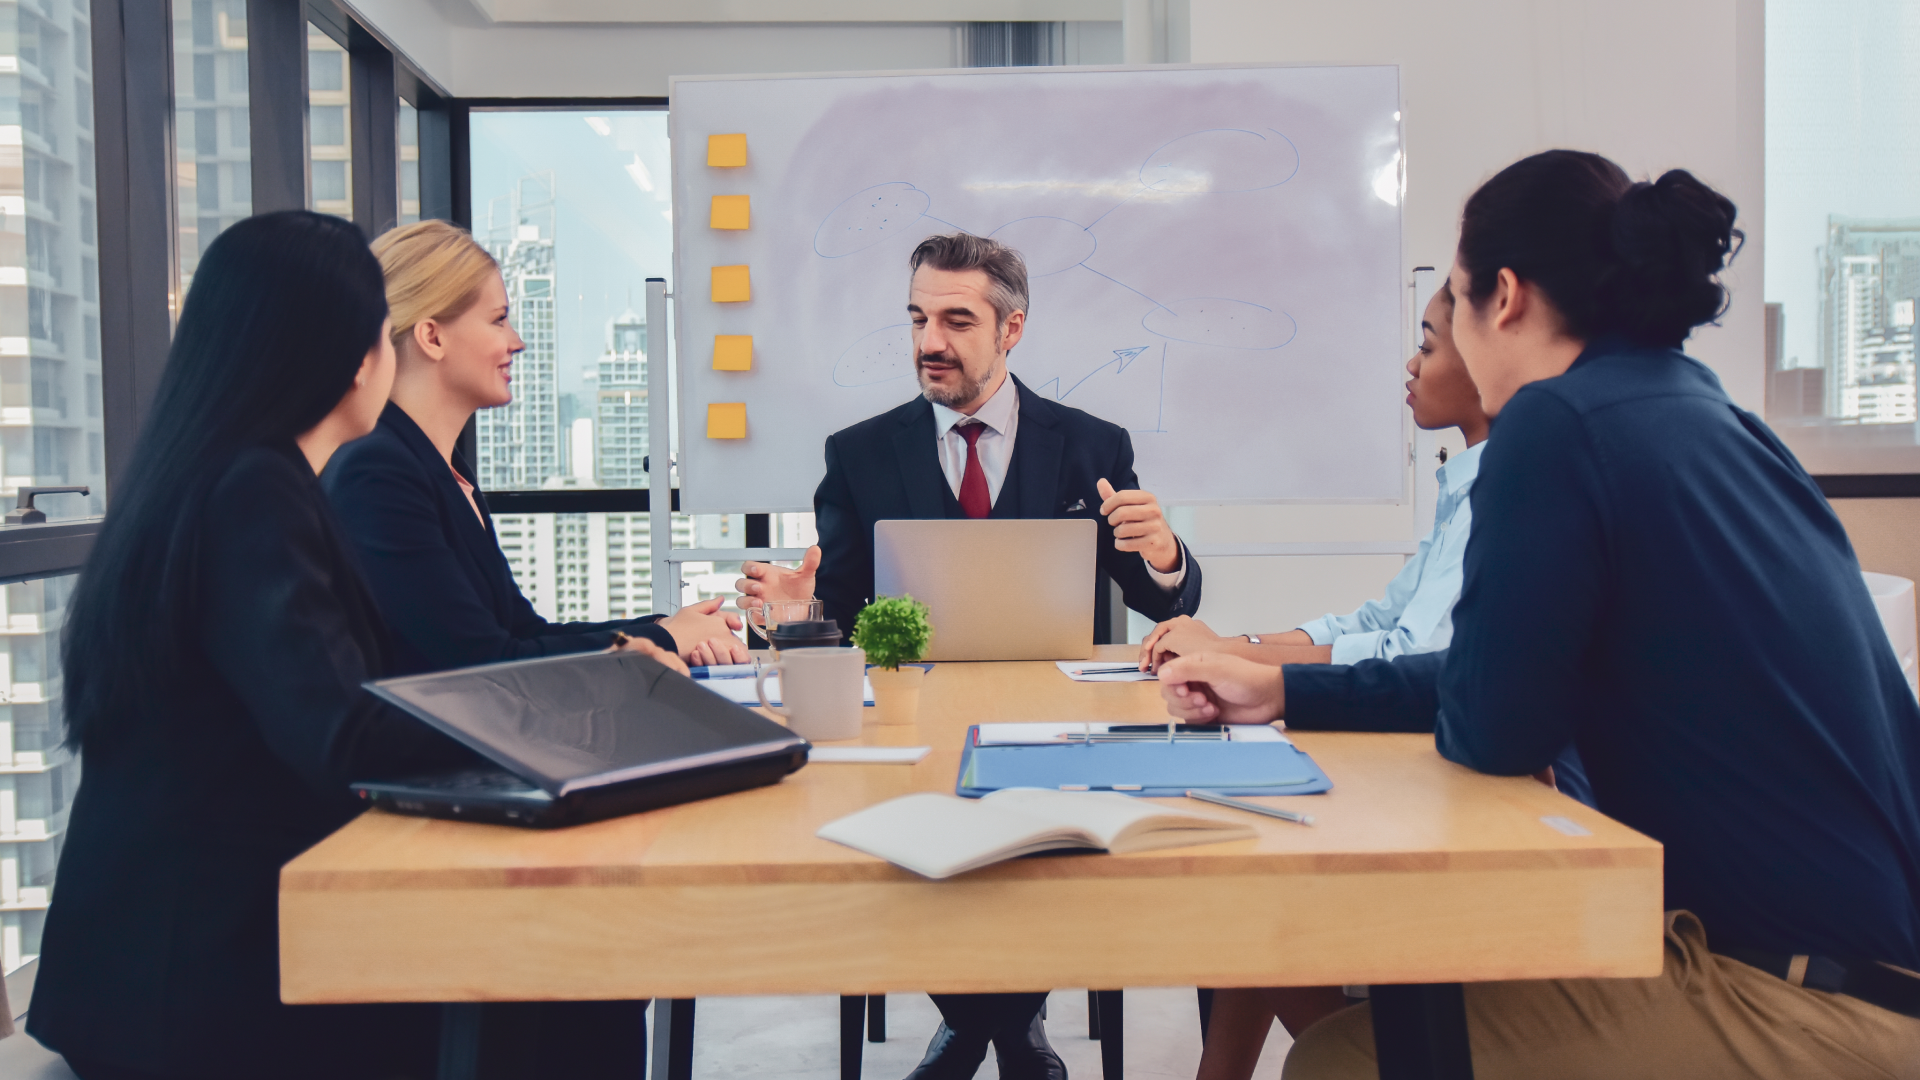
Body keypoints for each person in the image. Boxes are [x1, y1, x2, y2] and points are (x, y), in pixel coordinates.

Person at [1159, 152, 1920, 1078]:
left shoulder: (1553, 425)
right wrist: (1281, 688)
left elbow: (1495, 726)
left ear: (1505, 297)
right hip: (1865, 966)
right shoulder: (1709, 413)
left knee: (1337, 1065)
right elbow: (1514, 674)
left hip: (1793, 997)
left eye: (1453, 304)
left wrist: (1295, 688)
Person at [26, 211, 679, 1079]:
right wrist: (580, 705)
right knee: (561, 973)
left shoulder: (226, 476)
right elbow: (341, 733)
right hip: (205, 981)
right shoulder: (253, 489)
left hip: (181, 948)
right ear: (346, 350)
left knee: (561, 974)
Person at [736, 232, 1204, 1080]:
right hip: (918, 717)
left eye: (955, 320)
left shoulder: (1091, 444)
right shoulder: (859, 454)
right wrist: (799, 613)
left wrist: (1165, 553)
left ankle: (975, 1027)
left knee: (1034, 822)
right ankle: (1007, 1026)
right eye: (918, 317)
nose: (928, 342)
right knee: (926, 815)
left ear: (1011, 329)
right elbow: (841, 613)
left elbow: (1161, 597)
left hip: (1057, 717)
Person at [324, 220, 744, 675]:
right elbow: (482, 664)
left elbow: (522, 632)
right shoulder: (378, 472)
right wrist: (665, 638)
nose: (516, 342)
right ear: (433, 337)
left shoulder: (442, 469)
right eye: (498, 319)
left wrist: (666, 627)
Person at [1139, 284, 1489, 682]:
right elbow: (1380, 621)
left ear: (1485, 359)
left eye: (1426, 348)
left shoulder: (1498, 497)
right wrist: (1235, 645)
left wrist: (1227, 654)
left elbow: (1411, 656)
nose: (1412, 365)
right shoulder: (1465, 490)